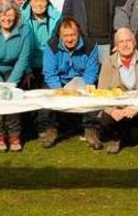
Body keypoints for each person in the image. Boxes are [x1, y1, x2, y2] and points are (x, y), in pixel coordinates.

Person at [96, 28, 138, 154]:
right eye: (121, 42)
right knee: (104, 117)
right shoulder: (108, 63)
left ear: (134, 42)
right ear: (116, 46)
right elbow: (101, 93)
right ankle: (117, 138)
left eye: (128, 41)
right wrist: (112, 110)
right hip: (119, 110)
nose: (125, 45)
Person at [41, 17, 101, 149]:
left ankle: (90, 130)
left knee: (92, 93)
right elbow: (50, 73)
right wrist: (60, 90)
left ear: (78, 33)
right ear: (60, 36)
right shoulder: (51, 46)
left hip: (82, 81)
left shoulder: (90, 46)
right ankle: (51, 130)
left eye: (72, 35)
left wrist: (82, 88)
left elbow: (91, 72)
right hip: (59, 82)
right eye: (65, 36)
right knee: (48, 94)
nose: (69, 39)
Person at [0, 0, 32, 152]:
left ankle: (14, 135)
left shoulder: (25, 30)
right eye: (3, 14)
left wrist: (11, 84)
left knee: (13, 100)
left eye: (10, 14)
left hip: (15, 70)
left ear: (16, 16)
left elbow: (23, 59)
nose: (7, 18)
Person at [20, 0, 62, 137]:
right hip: (28, 63)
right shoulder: (21, 19)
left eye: (42, 1)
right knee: (29, 95)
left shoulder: (56, 18)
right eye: (35, 0)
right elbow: (20, 47)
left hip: (49, 63)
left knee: (47, 95)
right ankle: (29, 127)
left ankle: (46, 126)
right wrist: (27, 69)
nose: (39, 4)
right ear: (29, 2)